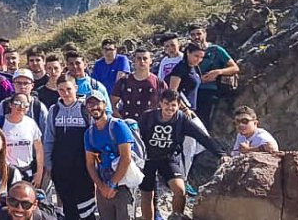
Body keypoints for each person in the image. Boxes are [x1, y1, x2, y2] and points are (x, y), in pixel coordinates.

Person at [137, 89, 227, 220]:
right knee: (147, 194)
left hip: (168, 159)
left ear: (179, 105)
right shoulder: (148, 117)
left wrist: (221, 154)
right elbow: (137, 137)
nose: (170, 108)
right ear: (160, 103)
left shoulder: (180, 119)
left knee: (180, 190)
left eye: (173, 105)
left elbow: (202, 137)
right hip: (148, 159)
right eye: (166, 104)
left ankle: (176, 217)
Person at [42, 75, 95, 220]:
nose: (65, 93)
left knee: (86, 208)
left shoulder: (86, 109)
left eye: (68, 89)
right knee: (68, 207)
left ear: (76, 88)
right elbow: (49, 139)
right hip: (61, 168)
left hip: (83, 168)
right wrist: (49, 164)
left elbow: (93, 138)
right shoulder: (54, 110)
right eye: (61, 90)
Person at [82, 95, 136, 220]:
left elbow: (126, 158)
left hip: (123, 185)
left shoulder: (118, 126)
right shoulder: (89, 133)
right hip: (103, 186)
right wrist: (101, 186)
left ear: (105, 105)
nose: (94, 107)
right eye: (90, 105)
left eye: (97, 103)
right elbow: (90, 163)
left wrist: (112, 184)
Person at [189, 23, 239, 129]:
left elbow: (235, 68)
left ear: (205, 34)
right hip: (192, 92)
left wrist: (217, 72)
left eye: (199, 33)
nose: (196, 37)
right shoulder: (189, 52)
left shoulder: (216, 50)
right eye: (193, 35)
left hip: (210, 92)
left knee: (204, 124)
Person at [0, 94, 43, 184]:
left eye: (25, 105)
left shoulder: (31, 123)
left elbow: (39, 149)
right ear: (10, 105)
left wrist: (39, 173)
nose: (21, 107)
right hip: (6, 171)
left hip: (27, 171)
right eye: (17, 103)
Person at [111, 48, 159, 121]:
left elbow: (167, 103)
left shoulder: (158, 82)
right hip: (129, 126)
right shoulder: (123, 81)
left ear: (150, 61)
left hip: (151, 126)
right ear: (134, 61)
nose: (142, 61)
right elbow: (112, 104)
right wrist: (122, 122)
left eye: (145, 58)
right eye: (139, 58)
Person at [0, 69, 47, 134]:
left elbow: (46, 133)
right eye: (18, 83)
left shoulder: (38, 107)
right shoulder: (4, 105)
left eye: (26, 83)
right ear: (13, 85)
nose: (22, 86)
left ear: (32, 85)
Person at [65, 50, 111, 114]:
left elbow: (108, 111)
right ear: (67, 65)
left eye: (78, 63)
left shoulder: (96, 86)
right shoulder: (61, 86)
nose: (75, 66)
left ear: (85, 64)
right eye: (71, 64)